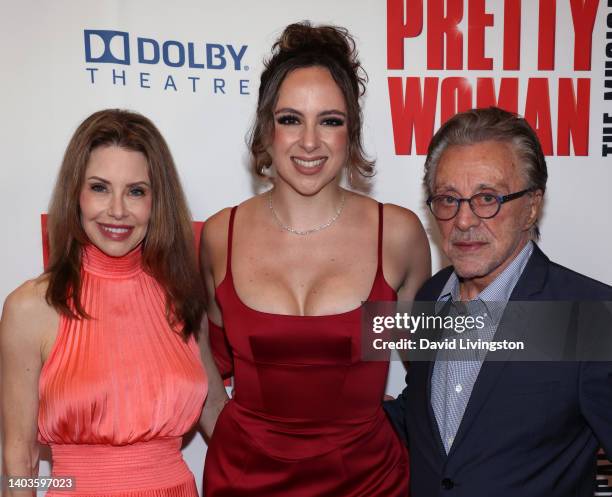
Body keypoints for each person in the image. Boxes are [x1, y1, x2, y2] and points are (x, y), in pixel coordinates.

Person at [199, 22, 431, 496]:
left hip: (369, 484)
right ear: (267, 129)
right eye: (290, 119)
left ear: (352, 131)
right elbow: (204, 358)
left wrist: (581, 329)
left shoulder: (396, 236)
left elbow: (433, 367)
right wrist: (231, 433)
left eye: (330, 120)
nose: (310, 142)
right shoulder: (221, 234)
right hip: (243, 481)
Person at [384, 107, 612, 496]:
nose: (465, 220)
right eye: (448, 199)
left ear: (532, 206)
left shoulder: (590, 316)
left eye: (487, 198)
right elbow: (428, 419)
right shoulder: (428, 297)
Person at [0, 109, 208, 497]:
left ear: (156, 201)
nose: (117, 210)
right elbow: (19, 459)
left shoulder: (182, 296)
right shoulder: (30, 308)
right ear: (74, 194)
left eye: (135, 191)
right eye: (99, 187)